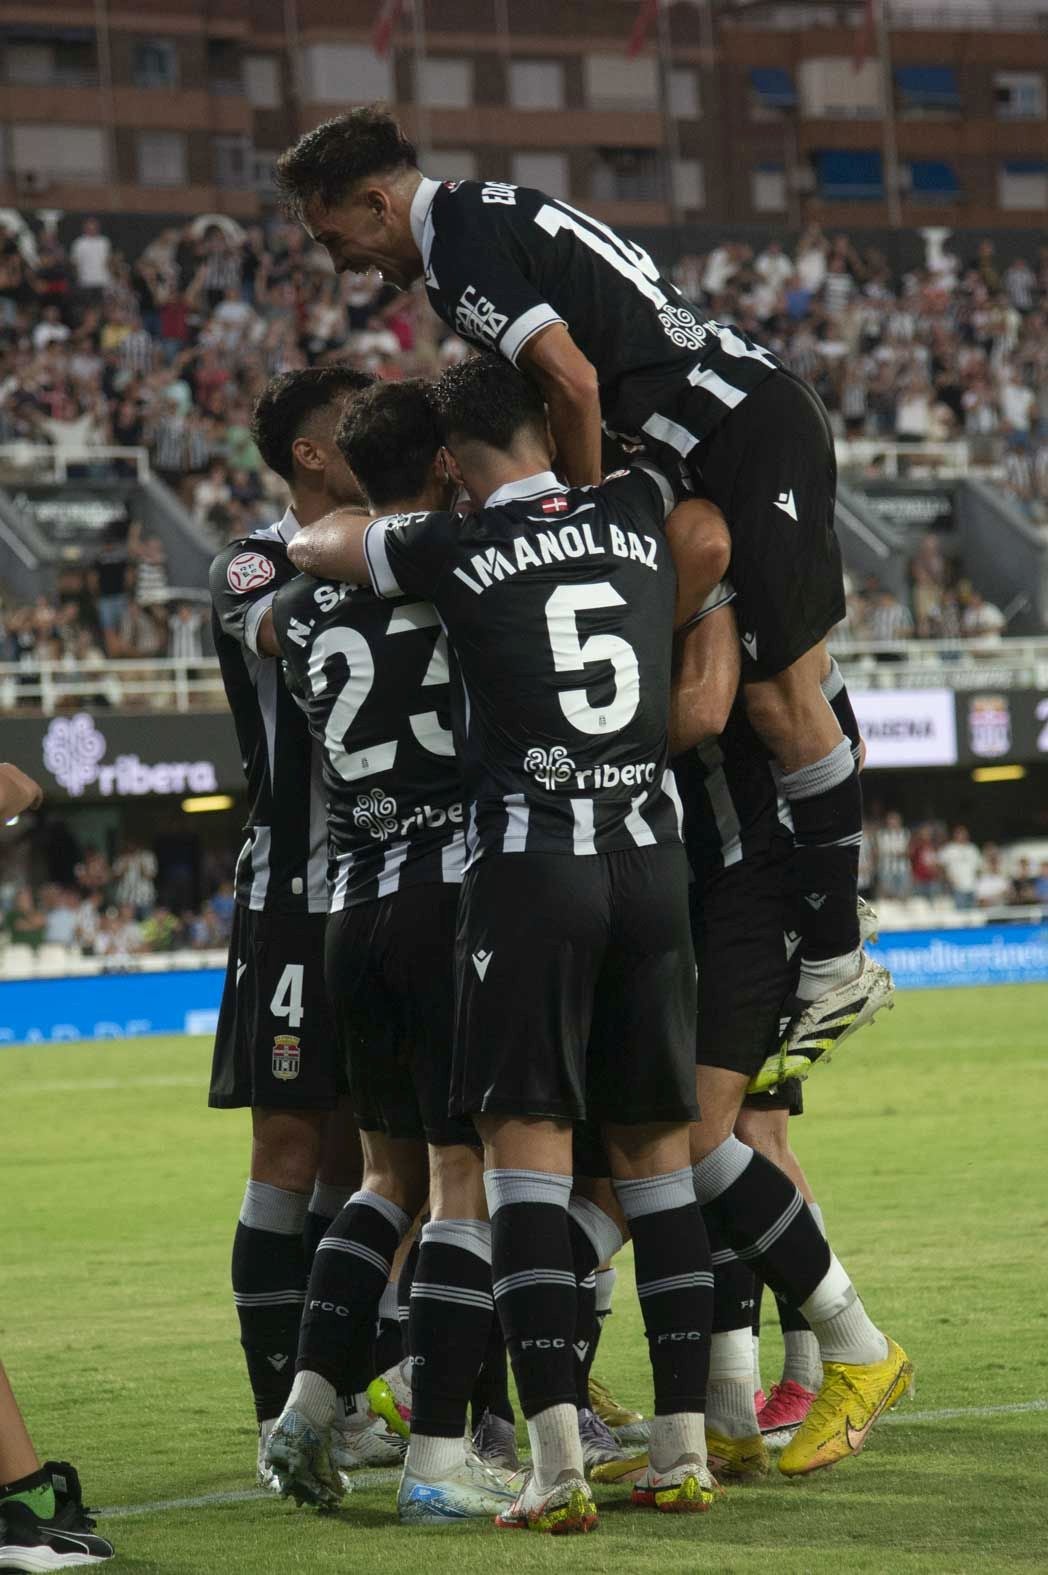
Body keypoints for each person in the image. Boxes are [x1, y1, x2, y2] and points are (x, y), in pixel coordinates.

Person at [275, 108, 893, 1081]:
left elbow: (569, 378)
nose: (342, 263)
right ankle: (831, 912)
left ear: (374, 199)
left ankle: (834, 956)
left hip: (734, 426)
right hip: (731, 420)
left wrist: (580, 505)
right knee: (801, 674)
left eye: (334, 237)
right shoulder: (484, 212)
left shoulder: (455, 251)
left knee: (781, 695)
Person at [289, 352, 734, 1533]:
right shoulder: (634, 506)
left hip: (533, 869)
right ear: (545, 422)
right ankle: (683, 1451)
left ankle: (552, 1464)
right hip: (652, 856)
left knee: (519, 1159)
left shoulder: (442, 546)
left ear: (447, 458)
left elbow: (320, 547)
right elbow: (699, 525)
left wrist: (314, 536)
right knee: (656, 1161)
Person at [266, 379, 517, 1524]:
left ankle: (307, 1410)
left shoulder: (307, 606)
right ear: (441, 472)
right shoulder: (458, 571)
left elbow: (289, 587)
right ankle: (437, 1462)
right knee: (464, 1177)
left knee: (380, 1180)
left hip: (347, 907)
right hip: (450, 894)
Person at [208, 367, 376, 1490]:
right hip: (290, 896)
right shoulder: (253, 563)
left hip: (393, 885)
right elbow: (282, 631)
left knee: (373, 1154)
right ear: (312, 455)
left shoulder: (400, 539)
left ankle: (346, 1397)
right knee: (289, 1149)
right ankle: (282, 1417)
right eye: (360, 430)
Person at [938, 825, 982, 912]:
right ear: (955, 835)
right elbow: (939, 865)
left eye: (964, 834)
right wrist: (948, 879)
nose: (962, 836)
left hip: (972, 887)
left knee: (973, 914)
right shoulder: (949, 849)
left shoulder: (972, 849)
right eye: (959, 834)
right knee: (960, 914)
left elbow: (978, 866)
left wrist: (976, 878)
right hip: (957, 888)